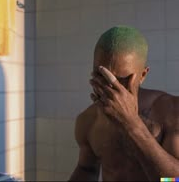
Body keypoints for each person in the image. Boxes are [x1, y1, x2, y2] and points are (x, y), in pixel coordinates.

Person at [69, 26, 179, 181]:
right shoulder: (88, 119)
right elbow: (86, 169)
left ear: (142, 75)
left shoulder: (172, 113)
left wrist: (132, 125)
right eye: (102, 76)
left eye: (121, 80)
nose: (111, 87)